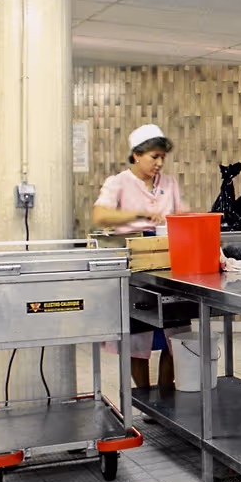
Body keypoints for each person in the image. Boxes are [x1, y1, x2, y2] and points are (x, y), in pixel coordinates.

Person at [93, 124, 188, 389]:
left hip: (169, 266)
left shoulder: (168, 183)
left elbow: (179, 215)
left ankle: (166, 392)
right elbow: (100, 215)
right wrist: (139, 216)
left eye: (162, 158)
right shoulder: (118, 183)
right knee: (138, 337)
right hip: (136, 267)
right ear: (136, 155)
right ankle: (145, 397)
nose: (159, 163)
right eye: (153, 157)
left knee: (175, 333)